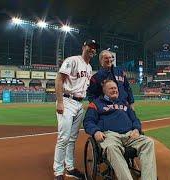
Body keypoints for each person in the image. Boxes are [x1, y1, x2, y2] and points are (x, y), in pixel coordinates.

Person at [83, 80, 157, 180]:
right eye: (111, 88)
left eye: (116, 88)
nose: (115, 90)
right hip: (109, 136)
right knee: (111, 147)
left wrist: (136, 129)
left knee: (148, 142)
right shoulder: (96, 104)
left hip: (130, 135)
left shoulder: (124, 103)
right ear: (104, 91)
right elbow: (88, 121)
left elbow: (135, 119)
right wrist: (95, 131)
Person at [53, 39, 99, 180]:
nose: (92, 49)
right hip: (67, 100)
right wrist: (60, 102)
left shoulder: (90, 67)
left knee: (72, 138)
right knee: (64, 138)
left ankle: (70, 168)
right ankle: (58, 172)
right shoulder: (72, 60)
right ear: (83, 47)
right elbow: (59, 79)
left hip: (79, 104)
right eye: (90, 46)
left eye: (94, 48)